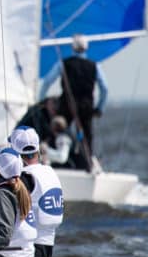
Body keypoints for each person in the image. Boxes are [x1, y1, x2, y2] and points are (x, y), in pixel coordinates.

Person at [38, 34, 108, 170]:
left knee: (60, 132)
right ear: (86, 48)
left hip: (66, 106)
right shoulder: (95, 66)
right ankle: (88, 165)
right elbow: (105, 88)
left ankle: (54, 162)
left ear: (73, 48)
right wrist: (100, 108)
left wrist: (42, 100)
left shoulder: (63, 63)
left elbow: (47, 81)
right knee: (87, 138)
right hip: (87, 108)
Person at [10, 127, 64, 257]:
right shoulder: (50, 172)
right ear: (38, 151)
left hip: (28, 256)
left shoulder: (25, 178)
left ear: (15, 154)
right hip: (46, 253)